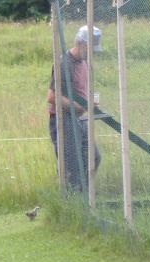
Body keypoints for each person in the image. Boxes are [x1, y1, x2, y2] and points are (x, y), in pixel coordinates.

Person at [47, 25, 103, 191]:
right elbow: (51, 97)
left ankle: (82, 194)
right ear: (79, 43)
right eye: (89, 48)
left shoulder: (84, 62)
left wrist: (89, 103)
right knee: (71, 167)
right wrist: (78, 105)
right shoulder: (64, 64)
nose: (91, 52)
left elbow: (80, 91)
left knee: (94, 157)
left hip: (79, 119)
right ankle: (73, 201)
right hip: (63, 120)